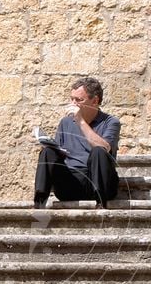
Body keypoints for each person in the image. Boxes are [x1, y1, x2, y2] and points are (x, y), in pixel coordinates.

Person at [34, 76, 121, 209]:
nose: (73, 104)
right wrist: (51, 146)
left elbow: (105, 148)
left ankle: (101, 208)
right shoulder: (66, 122)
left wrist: (80, 121)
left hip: (99, 183)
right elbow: (58, 154)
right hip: (71, 184)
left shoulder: (111, 122)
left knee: (99, 150)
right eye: (72, 99)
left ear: (95, 101)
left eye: (79, 100)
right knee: (47, 152)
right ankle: (39, 205)